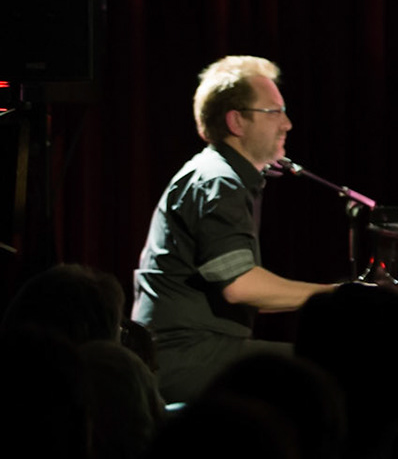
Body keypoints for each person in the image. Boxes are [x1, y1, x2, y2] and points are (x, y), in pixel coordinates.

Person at [132, 55, 335, 402]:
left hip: (189, 350)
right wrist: (339, 296)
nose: (287, 124)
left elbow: (238, 293)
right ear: (236, 121)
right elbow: (240, 287)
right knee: (332, 372)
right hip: (186, 357)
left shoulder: (219, 174)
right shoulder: (219, 181)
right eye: (274, 112)